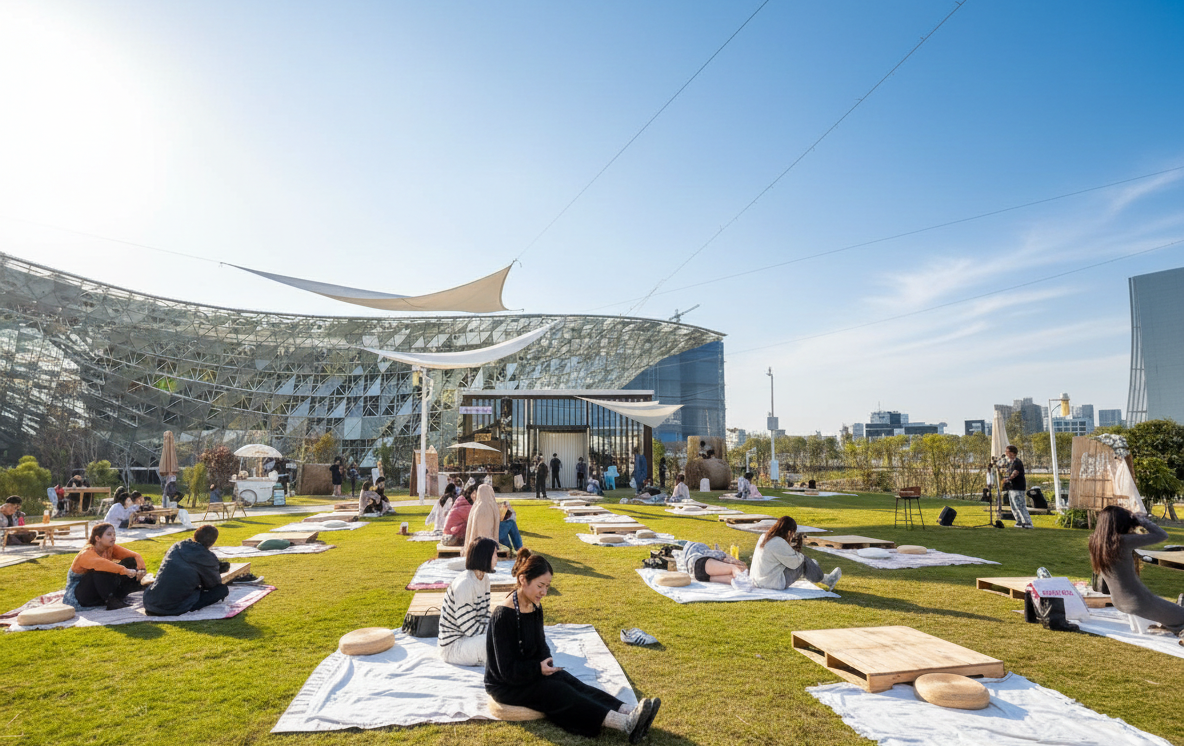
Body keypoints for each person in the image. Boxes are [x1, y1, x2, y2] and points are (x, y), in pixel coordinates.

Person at [486, 548, 659, 741]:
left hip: (530, 672)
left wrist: (546, 660)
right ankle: (624, 724)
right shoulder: (503, 616)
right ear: (523, 580)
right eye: (540, 585)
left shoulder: (535, 606)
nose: (544, 592)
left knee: (571, 681)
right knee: (558, 691)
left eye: (547, 586)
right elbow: (506, 670)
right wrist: (537, 668)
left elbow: (540, 642)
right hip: (506, 685)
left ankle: (629, 711)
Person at [1089, 506, 1184, 637]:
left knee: (1175, 614)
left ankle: (1172, 623)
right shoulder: (1122, 541)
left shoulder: (1095, 542)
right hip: (1140, 602)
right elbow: (1162, 535)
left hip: (1119, 601)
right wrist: (1141, 520)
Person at [438, 537, 499, 666]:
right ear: (485, 556)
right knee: (497, 641)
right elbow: (469, 628)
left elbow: (484, 614)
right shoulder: (464, 584)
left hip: (470, 638)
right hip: (454, 646)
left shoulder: (485, 579)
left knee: (507, 634)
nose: (497, 558)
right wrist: (495, 631)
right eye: (495, 554)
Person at [144, 524, 229, 616]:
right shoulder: (207, 557)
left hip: (150, 601)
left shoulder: (177, 546)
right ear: (213, 542)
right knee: (222, 590)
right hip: (174, 606)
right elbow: (213, 584)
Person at [63, 523, 146, 610]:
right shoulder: (86, 553)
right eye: (109, 534)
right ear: (97, 538)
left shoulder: (109, 547)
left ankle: (127, 591)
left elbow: (134, 556)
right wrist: (125, 570)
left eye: (114, 534)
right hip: (81, 596)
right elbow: (100, 564)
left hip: (99, 591)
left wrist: (141, 567)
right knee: (101, 569)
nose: (113, 537)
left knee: (130, 560)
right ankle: (111, 601)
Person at [750, 516, 841, 592]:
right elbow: (794, 563)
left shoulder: (764, 537)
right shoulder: (778, 542)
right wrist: (803, 558)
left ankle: (813, 570)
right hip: (771, 583)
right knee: (804, 561)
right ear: (789, 532)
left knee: (807, 562)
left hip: (758, 580)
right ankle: (828, 580)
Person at [677, 540, 747, 584]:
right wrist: (725, 556)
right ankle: (744, 579)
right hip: (698, 565)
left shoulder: (691, 555)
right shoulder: (701, 552)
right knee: (733, 568)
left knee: (733, 579)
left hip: (696, 575)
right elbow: (722, 556)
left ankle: (745, 581)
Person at [1002, 445, 1033, 529]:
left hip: (1018, 487)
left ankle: (1028, 522)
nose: (1006, 453)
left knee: (1020, 505)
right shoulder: (1009, 463)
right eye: (1006, 451)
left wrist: (1008, 478)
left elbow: (1015, 473)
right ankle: (1019, 522)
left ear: (1013, 453)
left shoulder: (1017, 462)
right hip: (1011, 487)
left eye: (1008, 451)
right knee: (1014, 506)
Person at [466, 483, 501, 555]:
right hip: (489, 544)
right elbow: (495, 529)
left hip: (476, 543)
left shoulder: (476, 507)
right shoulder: (492, 507)